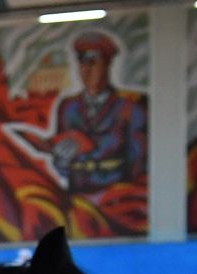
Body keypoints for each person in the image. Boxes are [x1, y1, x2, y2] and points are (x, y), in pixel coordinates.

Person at [49, 31, 147, 193]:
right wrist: (61, 161)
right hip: (77, 197)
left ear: (107, 65)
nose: (86, 70)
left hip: (116, 198)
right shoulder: (68, 107)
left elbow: (138, 165)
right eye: (82, 63)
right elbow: (62, 164)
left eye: (93, 62)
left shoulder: (130, 108)